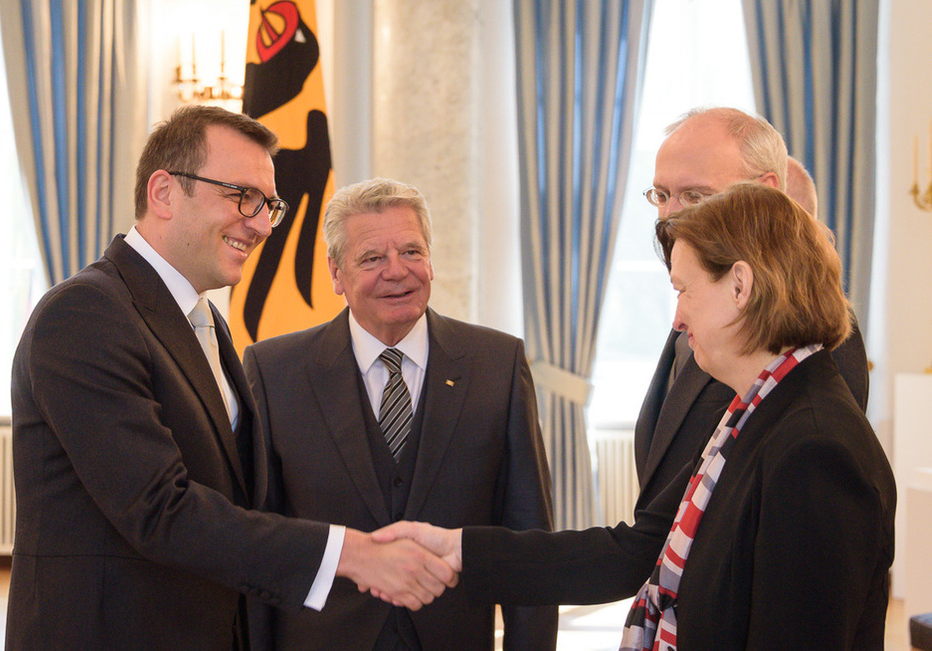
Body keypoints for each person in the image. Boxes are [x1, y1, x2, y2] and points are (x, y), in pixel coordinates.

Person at [6, 107, 455, 650]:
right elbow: (160, 511)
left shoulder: (206, 321)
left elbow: (234, 495)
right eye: (242, 196)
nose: (263, 224)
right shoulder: (84, 315)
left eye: (269, 204)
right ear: (164, 192)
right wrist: (354, 555)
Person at [376, 183, 897, 650]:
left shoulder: (812, 448)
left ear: (740, 287)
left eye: (684, 290)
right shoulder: (751, 415)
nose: (678, 316)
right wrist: (459, 549)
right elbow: (638, 548)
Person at [243, 177, 557, 650]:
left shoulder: (498, 364)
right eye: (372, 258)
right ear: (335, 273)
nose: (396, 272)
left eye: (411, 252)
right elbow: (257, 543)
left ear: (431, 260)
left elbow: (528, 544)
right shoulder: (274, 371)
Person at [633, 107, 870, 510]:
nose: (671, 216)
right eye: (662, 195)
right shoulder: (704, 298)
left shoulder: (807, 328)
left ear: (766, 191)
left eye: (694, 195)